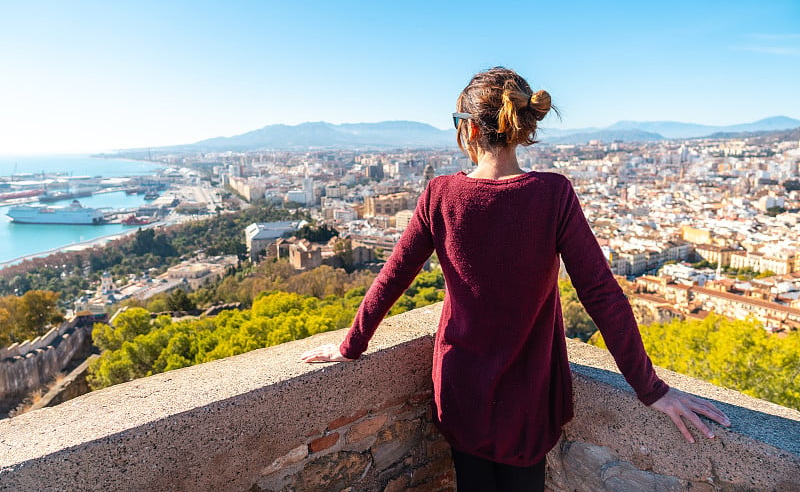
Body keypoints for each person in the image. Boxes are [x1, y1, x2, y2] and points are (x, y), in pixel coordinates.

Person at [300, 67, 731, 492]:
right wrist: (650, 389)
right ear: (524, 128)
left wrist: (351, 345)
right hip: (529, 394)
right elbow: (601, 294)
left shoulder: (440, 194)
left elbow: (395, 277)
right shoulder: (552, 194)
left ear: (468, 129)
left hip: (459, 388)